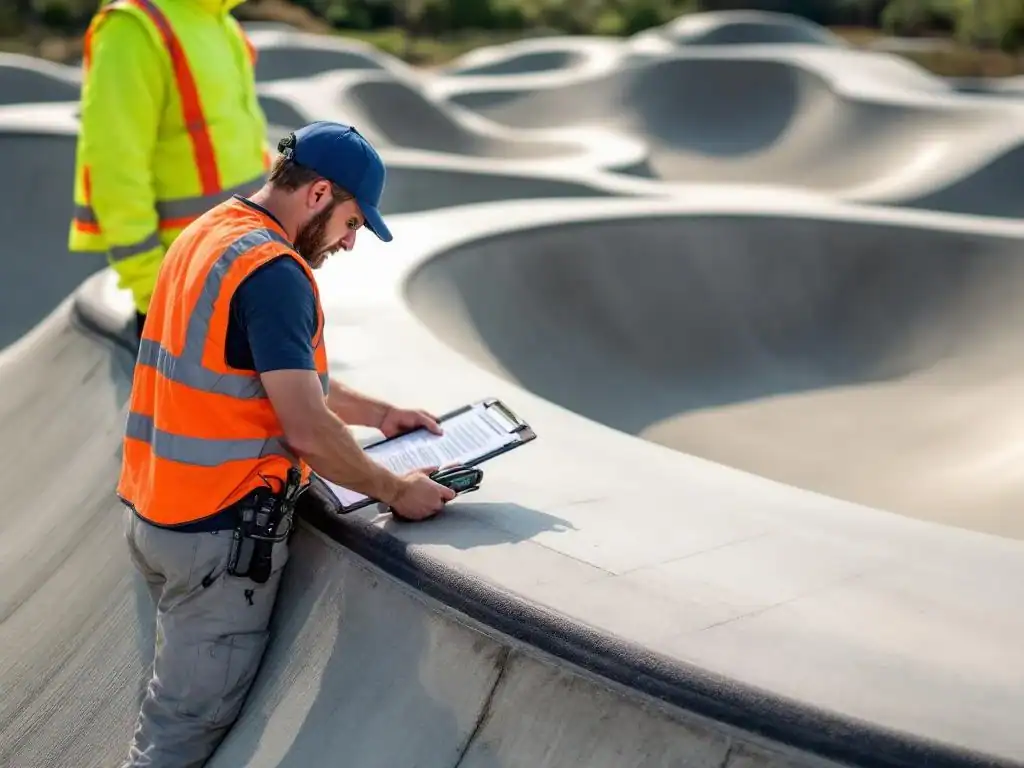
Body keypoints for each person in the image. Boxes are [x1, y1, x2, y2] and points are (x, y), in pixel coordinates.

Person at [116, 120, 457, 768]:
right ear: (321, 194)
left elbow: (267, 379)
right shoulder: (274, 274)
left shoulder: (210, 234)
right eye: (353, 224)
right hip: (216, 537)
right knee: (179, 737)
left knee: (171, 712)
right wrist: (395, 490)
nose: (351, 243)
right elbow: (302, 425)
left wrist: (379, 414)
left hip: (159, 513)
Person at [69, 0, 272, 341]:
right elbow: (116, 167)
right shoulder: (133, 28)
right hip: (185, 291)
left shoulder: (220, 21)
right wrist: (154, 289)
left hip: (250, 270)